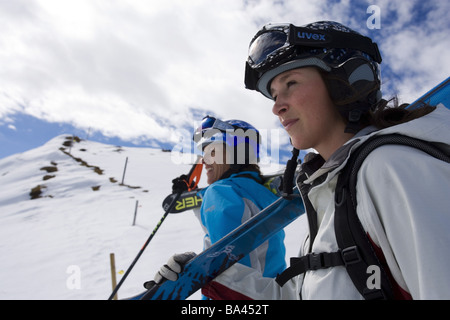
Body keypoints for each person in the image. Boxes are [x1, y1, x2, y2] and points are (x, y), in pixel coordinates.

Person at [239, 20, 450, 299]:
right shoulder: (333, 193)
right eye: (275, 95)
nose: (278, 107)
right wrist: (221, 277)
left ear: (349, 83)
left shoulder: (390, 167)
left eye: (291, 83)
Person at [147, 116, 290, 300]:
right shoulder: (259, 195)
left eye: (212, 152)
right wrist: (196, 196)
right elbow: (236, 228)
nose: (204, 161)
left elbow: (231, 272)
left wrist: (195, 272)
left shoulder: (220, 192)